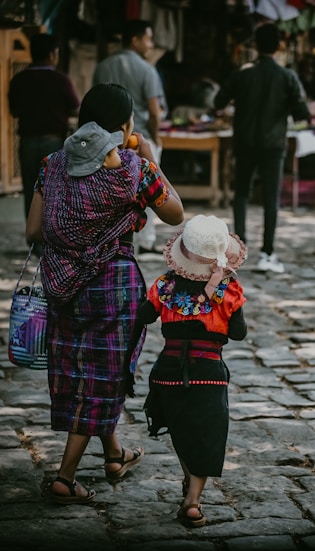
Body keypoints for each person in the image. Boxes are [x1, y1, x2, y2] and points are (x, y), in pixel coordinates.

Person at [25, 83, 184, 504]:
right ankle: (64, 477)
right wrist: (150, 157)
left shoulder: (51, 164)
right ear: (125, 126)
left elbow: (33, 230)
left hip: (62, 286)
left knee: (86, 370)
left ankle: (114, 454)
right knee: (103, 375)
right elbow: (175, 214)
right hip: (113, 287)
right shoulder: (133, 168)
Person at [138, 214, 247, 528]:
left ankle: (189, 486)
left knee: (183, 430)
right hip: (208, 373)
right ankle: (193, 501)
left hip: (167, 372)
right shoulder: (229, 291)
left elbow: (144, 316)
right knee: (206, 435)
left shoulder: (165, 286)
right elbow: (238, 333)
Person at [214, 22, 310, 273]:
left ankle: (238, 248)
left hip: (244, 140)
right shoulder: (287, 77)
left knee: (242, 194)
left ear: (255, 45)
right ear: (279, 46)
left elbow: (218, 102)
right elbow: (302, 114)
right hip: (273, 144)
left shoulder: (242, 73)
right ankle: (268, 252)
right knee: (270, 198)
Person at [93, 19, 166, 260]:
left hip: (105, 141)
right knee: (150, 188)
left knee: (107, 189)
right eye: (148, 38)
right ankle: (145, 241)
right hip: (138, 139)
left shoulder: (102, 67)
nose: (151, 44)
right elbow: (155, 111)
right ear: (135, 40)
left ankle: (107, 237)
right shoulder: (147, 70)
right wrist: (154, 139)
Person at [8, 33, 80, 220]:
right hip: (54, 142)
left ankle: (33, 238)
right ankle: (52, 236)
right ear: (51, 54)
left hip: (28, 142)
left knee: (31, 191)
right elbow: (75, 107)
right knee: (54, 190)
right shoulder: (61, 80)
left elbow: (14, 111)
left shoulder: (19, 80)